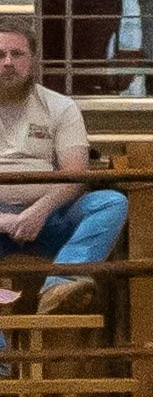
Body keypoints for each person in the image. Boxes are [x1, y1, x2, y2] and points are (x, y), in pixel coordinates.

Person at [0, 16, 128, 317]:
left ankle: (61, 285)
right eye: (0, 54)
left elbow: (76, 174)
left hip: (49, 219)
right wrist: (5, 220)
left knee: (111, 202)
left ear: (31, 59)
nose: (7, 63)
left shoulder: (60, 107)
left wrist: (37, 212)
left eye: (16, 54)